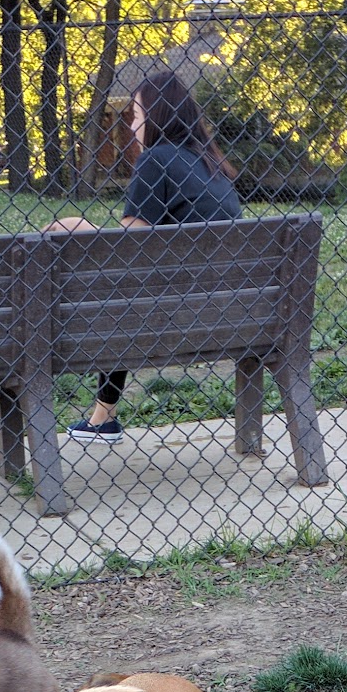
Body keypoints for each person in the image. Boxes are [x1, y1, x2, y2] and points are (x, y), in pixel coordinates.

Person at [49, 70, 242, 442]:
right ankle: (102, 418)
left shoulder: (155, 159)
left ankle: (100, 418)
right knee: (127, 293)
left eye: (136, 114)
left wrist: (77, 226)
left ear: (155, 117)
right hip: (232, 312)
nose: (132, 123)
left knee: (105, 278)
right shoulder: (209, 161)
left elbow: (125, 249)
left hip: (171, 316)